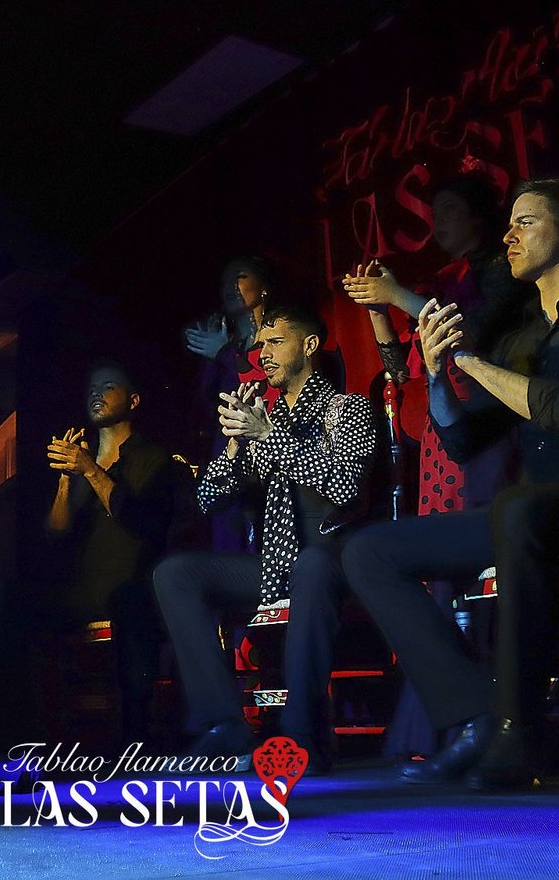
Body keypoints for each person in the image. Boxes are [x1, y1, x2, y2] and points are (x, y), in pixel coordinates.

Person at [343, 179, 559, 791]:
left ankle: (518, 734)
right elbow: (466, 442)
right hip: (532, 518)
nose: (508, 234)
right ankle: (475, 715)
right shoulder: (525, 337)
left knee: (520, 508)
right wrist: (440, 377)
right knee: (371, 550)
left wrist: (471, 361)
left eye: (525, 222)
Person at [154, 303, 375, 765]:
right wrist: (236, 445)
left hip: (329, 556)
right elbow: (208, 500)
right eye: (260, 343)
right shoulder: (264, 418)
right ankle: (225, 724)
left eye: (276, 342)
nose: (264, 352)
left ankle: (299, 734)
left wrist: (269, 435)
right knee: (177, 573)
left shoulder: (346, 408)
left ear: (309, 346)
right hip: (277, 564)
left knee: (313, 565)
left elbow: (345, 486)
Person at [342, 173, 531, 514]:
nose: (437, 222)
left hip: (489, 416)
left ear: (476, 214)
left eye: (448, 210)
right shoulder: (444, 280)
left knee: (486, 527)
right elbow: (400, 373)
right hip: (443, 420)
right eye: (434, 213)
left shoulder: (506, 269)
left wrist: (397, 295)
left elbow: (469, 331)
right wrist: (378, 309)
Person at [45, 360, 185, 746]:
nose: (96, 394)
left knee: (131, 603)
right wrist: (63, 478)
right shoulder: (80, 460)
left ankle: (135, 741)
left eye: (108, 386)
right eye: (91, 387)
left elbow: (142, 521)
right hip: (82, 591)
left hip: (131, 587)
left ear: (133, 400)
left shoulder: (152, 459)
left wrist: (91, 469)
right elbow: (57, 532)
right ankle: (27, 737)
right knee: (6, 599)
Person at [183, 256, 278, 551]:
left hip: (268, 452)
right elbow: (206, 404)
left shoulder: (277, 338)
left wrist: (224, 353)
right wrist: (212, 358)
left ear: (263, 288)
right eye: (225, 281)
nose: (230, 286)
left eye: (240, 276)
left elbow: (269, 389)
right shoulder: (228, 344)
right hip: (226, 454)